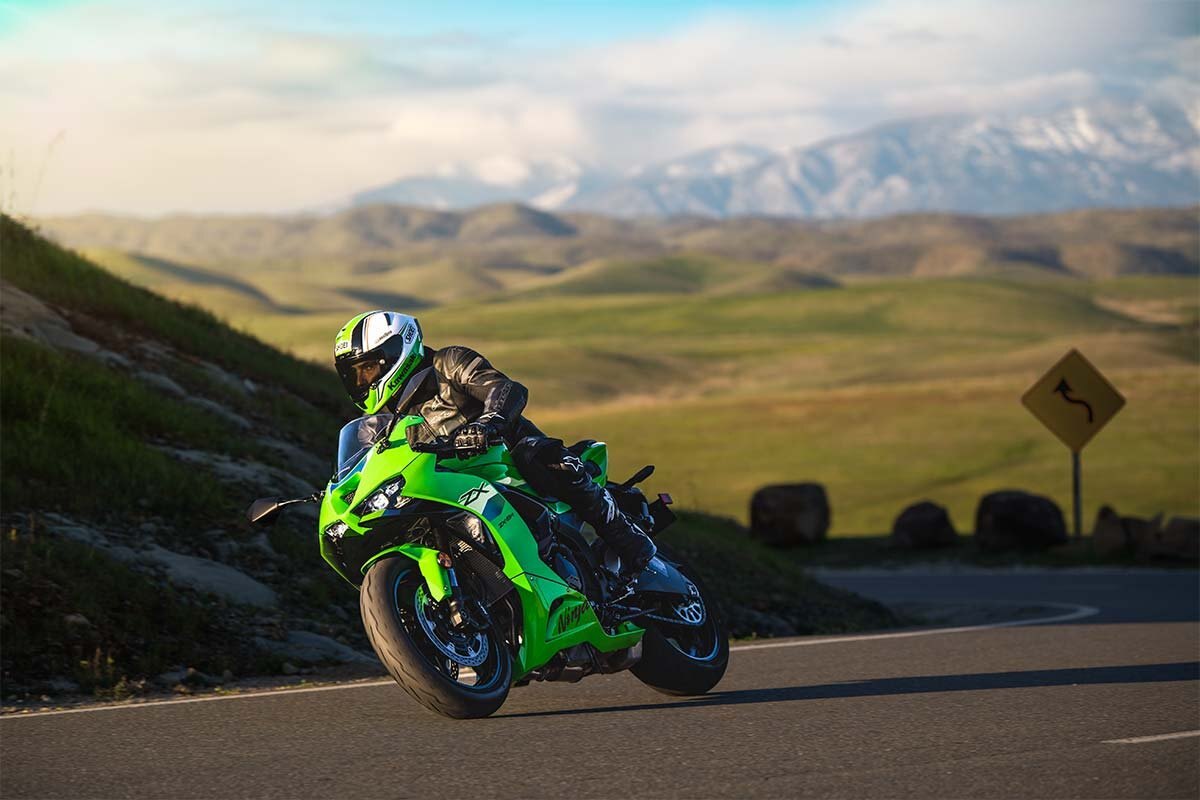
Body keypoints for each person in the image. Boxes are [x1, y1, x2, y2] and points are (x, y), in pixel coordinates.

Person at [332, 310, 657, 578]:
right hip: (447, 485)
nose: (361, 381)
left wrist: (488, 423)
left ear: (395, 351)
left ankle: (629, 540)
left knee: (544, 458)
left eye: (367, 369)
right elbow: (367, 463)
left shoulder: (448, 363)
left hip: (508, 461)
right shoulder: (381, 422)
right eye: (353, 375)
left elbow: (505, 389)